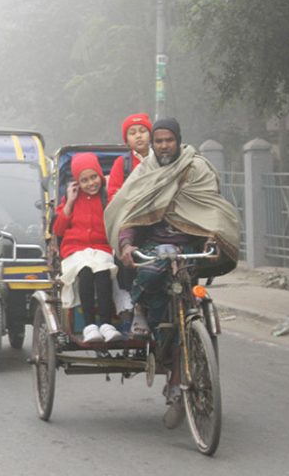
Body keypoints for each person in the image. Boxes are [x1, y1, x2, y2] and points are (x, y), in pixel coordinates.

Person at [104, 117, 240, 428]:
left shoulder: (197, 168)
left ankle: (180, 386)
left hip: (189, 247)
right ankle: (143, 312)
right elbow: (130, 211)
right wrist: (126, 244)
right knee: (151, 278)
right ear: (153, 144)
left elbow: (212, 210)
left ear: (178, 140)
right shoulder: (145, 172)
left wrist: (211, 239)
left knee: (187, 316)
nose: (164, 146)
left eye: (169, 140)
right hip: (153, 247)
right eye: (159, 141)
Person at [53, 152, 123, 343]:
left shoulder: (107, 196)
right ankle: (89, 325)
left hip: (101, 248)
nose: (91, 183)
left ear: (100, 175)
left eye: (94, 177)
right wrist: (69, 201)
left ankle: (107, 324)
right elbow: (58, 229)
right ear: (77, 182)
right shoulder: (71, 200)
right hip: (75, 250)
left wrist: (109, 189)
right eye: (84, 180)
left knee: (102, 273)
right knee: (84, 272)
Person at [109, 113, 154, 338]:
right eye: (133, 133)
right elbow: (114, 197)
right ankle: (135, 309)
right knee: (125, 261)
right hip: (130, 224)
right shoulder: (123, 164)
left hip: (158, 223)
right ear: (127, 140)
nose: (139, 136)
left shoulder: (163, 159)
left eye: (142, 131)